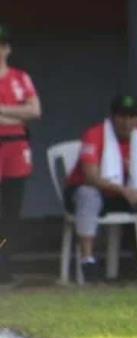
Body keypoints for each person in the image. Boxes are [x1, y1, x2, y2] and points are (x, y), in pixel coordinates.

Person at [65, 95, 137, 282]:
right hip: (95, 193)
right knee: (87, 194)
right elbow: (91, 177)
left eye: (132, 117)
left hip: (127, 195)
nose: (127, 122)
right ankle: (87, 261)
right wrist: (125, 191)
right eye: (122, 116)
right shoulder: (95, 135)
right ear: (113, 117)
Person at [0, 24, 42, 285]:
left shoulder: (19, 77)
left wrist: (2, 112)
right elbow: (23, 111)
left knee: (11, 210)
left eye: (2, 44)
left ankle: (6, 265)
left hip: (16, 147)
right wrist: (14, 112)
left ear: (8, 48)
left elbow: (35, 110)